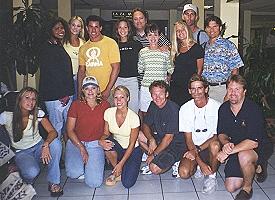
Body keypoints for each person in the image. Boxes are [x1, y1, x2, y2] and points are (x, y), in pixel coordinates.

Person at [0, 87, 63, 197]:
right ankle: (24, 178)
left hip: (39, 147)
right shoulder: (6, 115)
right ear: (19, 99)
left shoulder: (37, 113)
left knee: (56, 144)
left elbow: (53, 132)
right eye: (27, 97)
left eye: (34, 99)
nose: (31, 102)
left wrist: (46, 144)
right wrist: (8, 158)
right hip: (21, 152)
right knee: (32, 172)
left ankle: (54, 182)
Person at [217, 74, 265, 200]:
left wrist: (227, 152)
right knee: (230, 187)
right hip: (236, 147)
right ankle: (255, 168)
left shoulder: (253, 109)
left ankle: (247, 188)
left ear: (244, 91)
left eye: (237, 89)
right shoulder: (223, 108)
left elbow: (254, 142)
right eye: (230, 89)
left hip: (256, 148)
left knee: (244, 156)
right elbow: (221, 133)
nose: (233, 93)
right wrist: (226, 144)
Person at [178, 74, 221, 194]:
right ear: (189, 91)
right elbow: (188, 139)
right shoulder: (185, 108)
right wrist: (200, 162)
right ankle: (199, 166)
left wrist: (198, 149)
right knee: (183, 173)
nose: (196, 92)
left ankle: (212, 176)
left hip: (208, 146)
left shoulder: (217, 107)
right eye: (193, 89)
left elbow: (216, 136)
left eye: (199, 88)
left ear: (206, 89)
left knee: (216, 145)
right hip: (193, 147)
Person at [65, 76, 110, 188]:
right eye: (87, 88)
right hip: (76, 142)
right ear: (82, 90)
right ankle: (82, 165)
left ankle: (90, 165)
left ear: (98, 90)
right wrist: (81, 147)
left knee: (94, 183)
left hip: (95, 144)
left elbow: (107, 132)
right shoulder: (75, 104)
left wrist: (102, 142)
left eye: (93, 88)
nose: (90, 91)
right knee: (73, 173)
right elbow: (69, 130)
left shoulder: (105, 105)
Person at [138, 80, 185, 175]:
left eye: (160, 94)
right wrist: (151, 140)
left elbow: (169, 138)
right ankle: (158, 158)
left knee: (154, 169)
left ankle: (175, 161)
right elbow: (145, 124)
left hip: (175, 145)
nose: (157, 97)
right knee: (137, 135)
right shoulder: (153, 105)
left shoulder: (173, 109)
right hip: (160, 139)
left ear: (167, 94)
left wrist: (154, 154)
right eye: (154, 94)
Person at [99, 85, 142, 188]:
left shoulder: (134, 117)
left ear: (127, 98)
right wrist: (100, 140)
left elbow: (132, 144)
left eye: (122, 97)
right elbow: (106, 134)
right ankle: (116, 171)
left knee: (127, 184)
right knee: (107, 143)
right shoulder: (108, 112)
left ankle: (121, 167)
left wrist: (121, 164)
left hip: (132, 149)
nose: (119, 100)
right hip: (118, 147)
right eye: (116, 97)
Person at [39, 17, 74, 139]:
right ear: (50, 31)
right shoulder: (47, 48)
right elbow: (52, 74)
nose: (61, 30)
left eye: (62, 27)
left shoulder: (57, 45)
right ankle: (54, 157)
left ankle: (62, 156)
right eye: (56, 28)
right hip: (56, 97)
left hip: (62, 96)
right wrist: (63, 94)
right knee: (55, 130)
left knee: (64, 128)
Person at [202, 15, 244, 103]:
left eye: (215, 26)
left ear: (220, 28)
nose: (211, 30)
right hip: (205, 89)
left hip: (222, 89)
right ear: (205, 29)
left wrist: (229, 92)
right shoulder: (203, 47)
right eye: (209, 27)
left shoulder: (228, 45)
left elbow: (235, 70)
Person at [78, 15, 120, 101]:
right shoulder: (83, 48)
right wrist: (80, 91)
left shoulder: (110, 43)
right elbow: (81, 71)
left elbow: (116, 68)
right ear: (86, 28)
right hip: (89, 92)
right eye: (91, 27)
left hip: (107, 91)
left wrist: (108, 90)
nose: (93, 30)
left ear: (100, 28)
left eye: (96, 27)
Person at [138, 23, 173, 114]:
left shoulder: (165, 52)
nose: (153, 38)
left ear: (159, 36)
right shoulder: (142, 52)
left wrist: (169, 76)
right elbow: (140, 69)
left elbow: (171, 69)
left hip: (161, 88)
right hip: (146, 87)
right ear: (146, 37)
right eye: (150, 35)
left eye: (155, 35)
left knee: (161, 112)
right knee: (145, 112)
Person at [170, 21, 204, 106]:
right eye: (178, 30)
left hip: (189, 88)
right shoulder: (176, 49)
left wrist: (194, 88)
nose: (180, 32)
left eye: (183, 29)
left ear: (188, 30)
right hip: (175, 88)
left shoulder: (197, 48)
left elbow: (199, 70)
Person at [113, 18, 143, 113]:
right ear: (117, 29)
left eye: (125, 27)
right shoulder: (113, 45)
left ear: (129, 29)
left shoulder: (137, 44)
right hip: (118, 80)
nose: (122, 30)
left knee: (134, 109)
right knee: (119, 108)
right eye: (120, 27)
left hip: (132, 80)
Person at [64, 16, 86, 100]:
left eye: (78, 26)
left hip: (79, 78)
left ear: (81, 29)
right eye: (73, 25)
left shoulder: (83, 43)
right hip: (66, 78)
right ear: (69, 26)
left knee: (77, 102)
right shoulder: (63, 41)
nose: (75, 28)